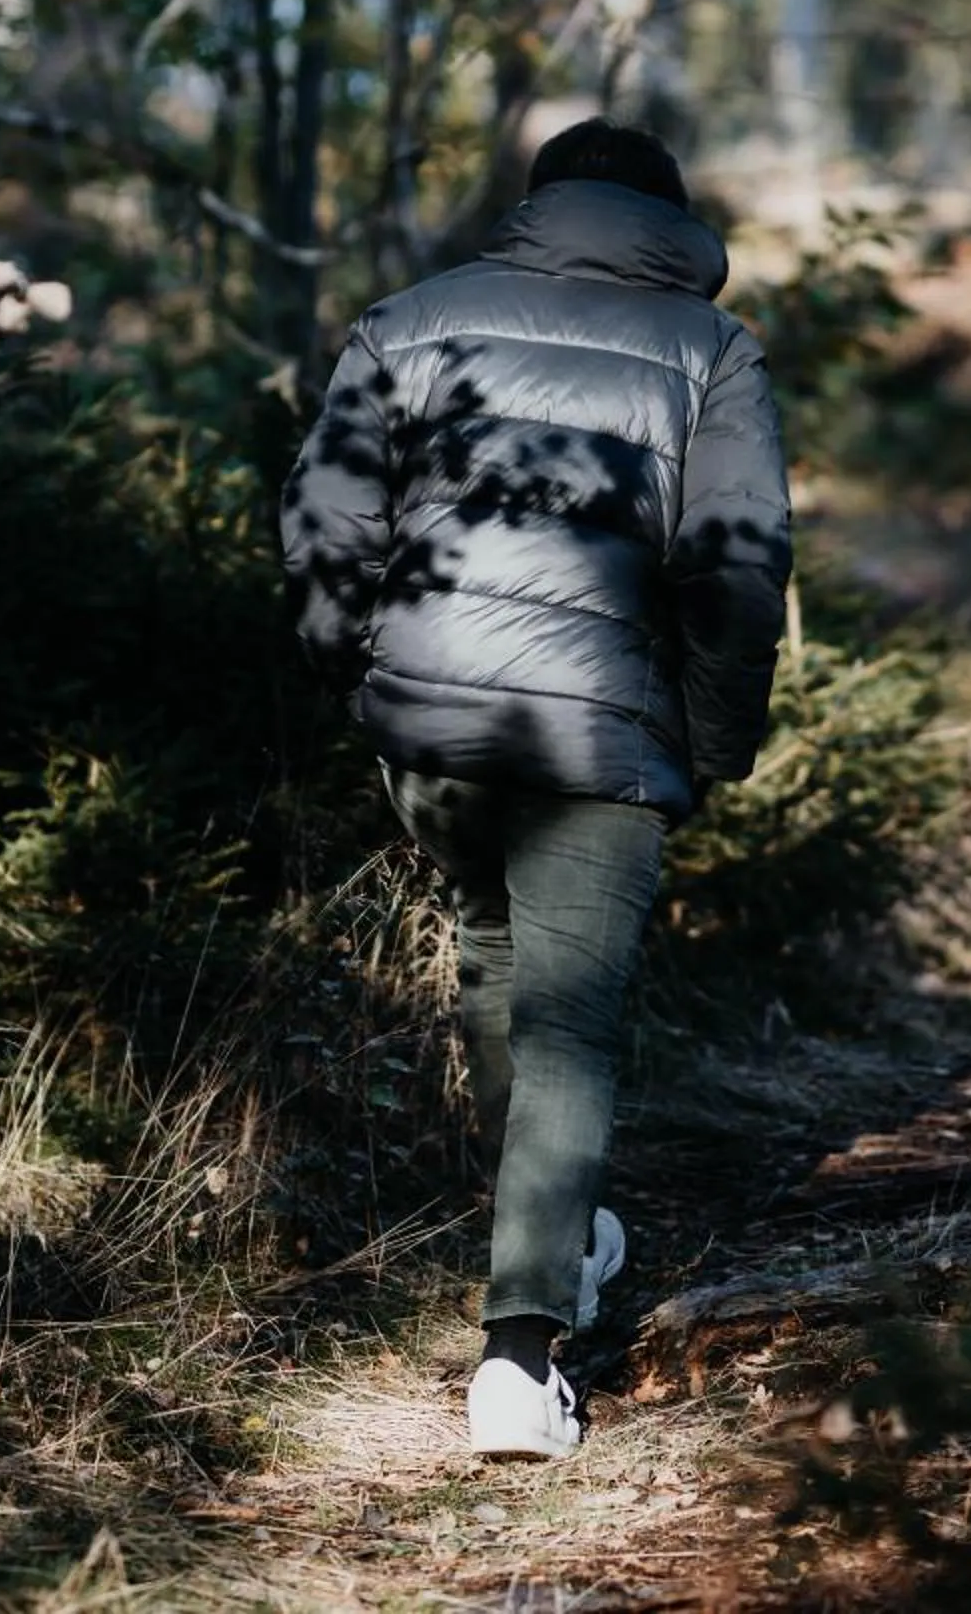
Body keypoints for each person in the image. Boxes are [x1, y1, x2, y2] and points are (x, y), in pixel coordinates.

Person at [280, 120, 792, 1459]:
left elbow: (328, 522)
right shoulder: (712, 351)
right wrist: (718, 738)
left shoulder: (413, 319)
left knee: (494, 959)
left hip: (431, 723)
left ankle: (557, 1234)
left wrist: (364, 675)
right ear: (668, 220)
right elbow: (735, 570)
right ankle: (519, 1357)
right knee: (569, 1028)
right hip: (606, 732)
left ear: (541, 203)